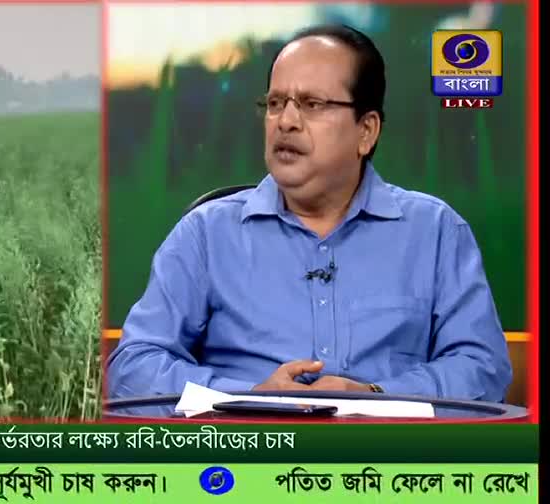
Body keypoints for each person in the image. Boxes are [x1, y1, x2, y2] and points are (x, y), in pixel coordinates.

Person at [106, 25, 513, 403]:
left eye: (312, 104)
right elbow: (132, 368)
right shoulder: (206, 233)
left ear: (366, 131)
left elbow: (483, 368)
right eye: (275, 103)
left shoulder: (435, 231)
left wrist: (377, 395)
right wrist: (248, 397)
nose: (285, 121)